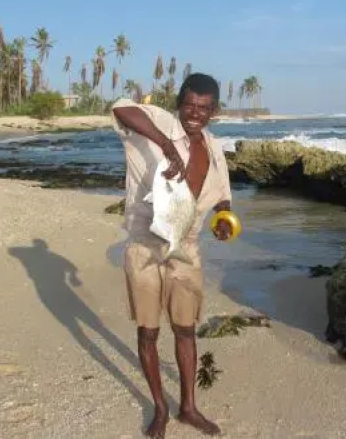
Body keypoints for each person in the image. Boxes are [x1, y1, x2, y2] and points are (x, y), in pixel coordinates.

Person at [111, 72, 233, 437]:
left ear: (214, 111)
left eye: (204, 108)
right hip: (145, 243)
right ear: (179, 103)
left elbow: (223, 198)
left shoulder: (214, 148)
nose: (195, 113)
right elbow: (120, 109)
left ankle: (189, 408)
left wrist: (224, 221)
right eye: (189, 105)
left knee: (185, 329)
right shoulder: (160, 122)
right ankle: (161, 408)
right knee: (148, 331)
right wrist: (165, 145)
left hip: (186, 246)